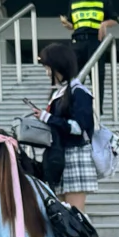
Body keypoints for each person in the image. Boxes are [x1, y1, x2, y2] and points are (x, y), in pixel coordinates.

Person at [37, 42, 97, 213]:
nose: (47, 72)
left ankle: (83, 233)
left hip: (75, 154)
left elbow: (78, 128)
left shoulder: (79, 92)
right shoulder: (60, 92)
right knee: (62, 215)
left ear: (59, 66)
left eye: (49, 67)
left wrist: (48, 118)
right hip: (59, 155)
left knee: (75, 214)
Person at [60, 0, 118, 105]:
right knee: (75, 78)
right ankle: (75, 108)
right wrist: (67, 24)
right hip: (77, 42)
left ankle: (98, 109)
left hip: (95, 41)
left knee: (97, 77)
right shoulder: (73, 1)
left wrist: (104, 24)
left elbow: (115, 19)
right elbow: (73, 24)